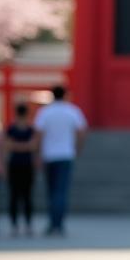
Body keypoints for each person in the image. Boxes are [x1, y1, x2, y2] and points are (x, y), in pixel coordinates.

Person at [34, 84, 88, 236]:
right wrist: (77, 148)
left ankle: (52, 222)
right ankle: (59, 223)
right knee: (61, 191)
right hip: (65, 154)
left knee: (51, 191)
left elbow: (38, 135)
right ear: (65, 95)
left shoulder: (45, 112)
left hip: (49, 155)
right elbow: (82, 131)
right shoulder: (72, 111)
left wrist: (37, 154)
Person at [5, 102, 37, 237]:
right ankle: (18, 224)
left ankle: (22, 224)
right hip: (19, 164)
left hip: (23, 165)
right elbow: (8, 145)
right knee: (16, 196)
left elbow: (33, 146)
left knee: (25, 196)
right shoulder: (15, 129)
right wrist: (25, 146)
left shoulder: (27, 129)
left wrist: (16, 146)